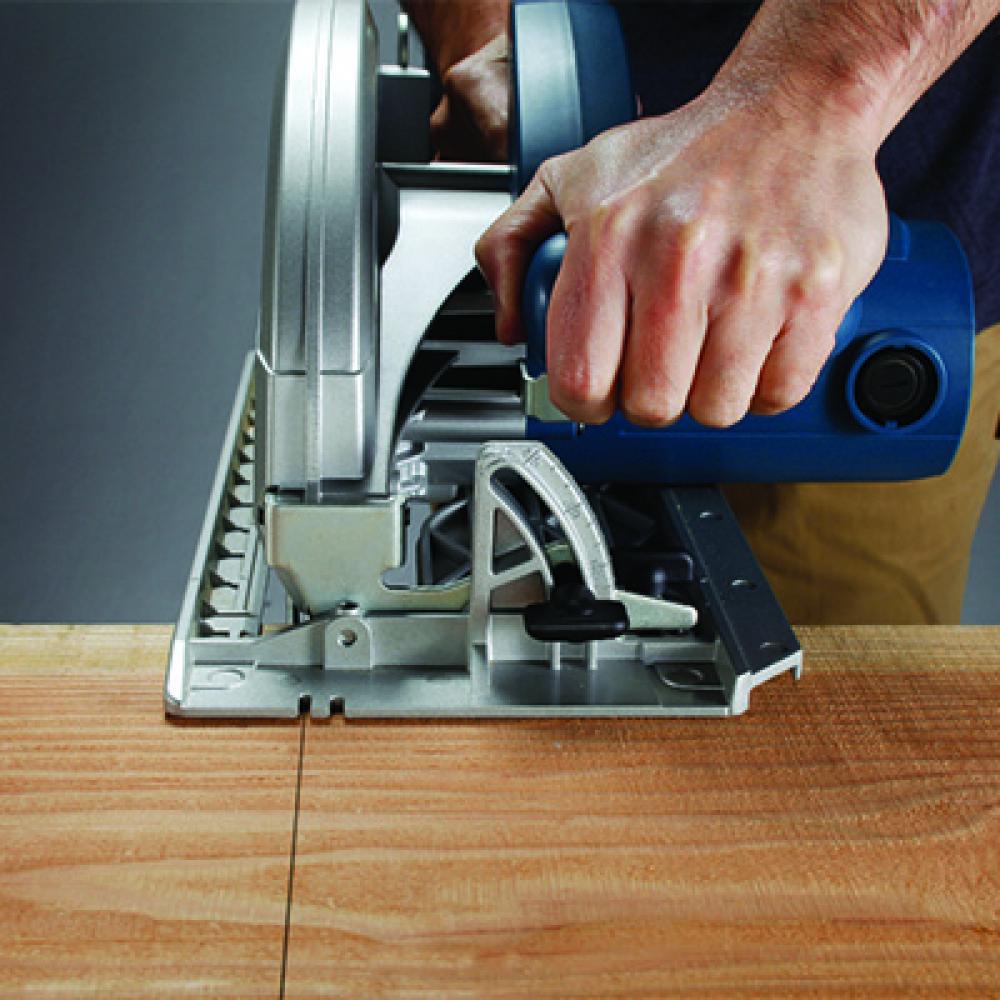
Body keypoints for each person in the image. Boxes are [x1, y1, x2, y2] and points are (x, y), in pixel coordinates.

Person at [405, 0, 1000, 625]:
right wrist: (502, 46)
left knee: (827, 668)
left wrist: (802, 106)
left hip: (847, 295)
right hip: (534, 236)